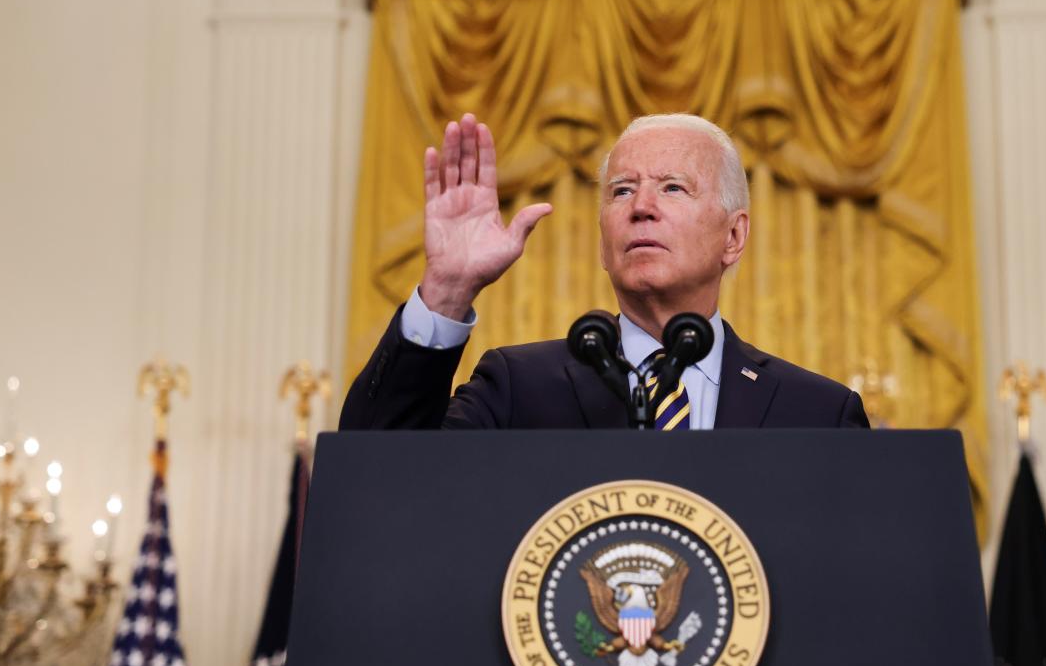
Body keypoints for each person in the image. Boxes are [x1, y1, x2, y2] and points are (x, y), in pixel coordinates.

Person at [339, 112, 868, 430]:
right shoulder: (518, 389)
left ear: (733, 237)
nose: (641, 206)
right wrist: (446, 293)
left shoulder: (817, 412)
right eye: (621, 191)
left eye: (672, 187)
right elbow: (380, 470)